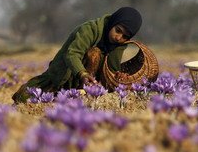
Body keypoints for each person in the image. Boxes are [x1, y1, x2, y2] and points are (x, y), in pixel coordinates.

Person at [12, 6, 143, 103]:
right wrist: (83, 74)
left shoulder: (119, 45)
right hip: (63, 75)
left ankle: (81, 96)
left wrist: (118, 77)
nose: (118, 37)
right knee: (27, 98)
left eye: (125, 36)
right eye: (118, 30)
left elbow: (111, 69)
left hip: (88, 85)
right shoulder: (90, 29)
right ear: (113, 23)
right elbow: (72, 54)